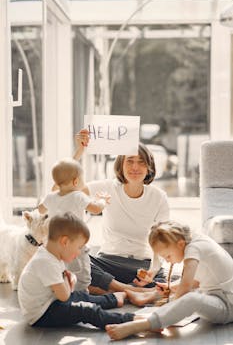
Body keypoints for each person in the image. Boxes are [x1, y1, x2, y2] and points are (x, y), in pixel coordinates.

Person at [74, 129, 170, 294]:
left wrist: (153, 271)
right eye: (130, 161)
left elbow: (162, 243)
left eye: (141, 162)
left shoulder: (159, 197)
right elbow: (69, 187)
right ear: (120, 165)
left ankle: (116, 292)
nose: (135, 167)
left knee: (162, 283)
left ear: (149, 167)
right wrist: (80, 151)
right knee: (77, 261)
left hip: (142, 265)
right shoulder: (108, 187)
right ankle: (129, 292)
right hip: (108, 262)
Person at [105, 221, 233, 340]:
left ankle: (143, 325)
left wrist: (173, 308)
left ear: (180, 244)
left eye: (168, 256)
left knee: (190, 299)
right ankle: (156, 312)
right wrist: (170, 287)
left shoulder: (194, 249)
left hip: (227, 305)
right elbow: (198, 280)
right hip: (217, 296)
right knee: (178, 298)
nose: (167, 260)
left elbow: (186, 287)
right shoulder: (196, 240)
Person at [17, 212, 137, 329]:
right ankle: (128, 320)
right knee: (86, 310)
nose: (79, 252)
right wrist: (70, 282)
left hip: (50, 301)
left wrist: (67, 280)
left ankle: (113, 299)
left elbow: (62, 289)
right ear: (65, 242)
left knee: (81, 295)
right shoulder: (46, 263)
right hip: (42, 314)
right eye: (79, 247)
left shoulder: (50, 255)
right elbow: (64, 296)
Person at [38, 158, 110, 291]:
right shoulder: (78, 196)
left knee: (61, 270)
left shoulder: (51, 197)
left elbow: (40, 210)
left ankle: (64, 290)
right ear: (76, 181)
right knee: (82, 272)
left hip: (56, 244)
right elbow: (96, 209)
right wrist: (102, 200)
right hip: (75, 244)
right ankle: (81, 293)